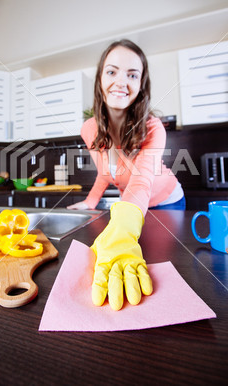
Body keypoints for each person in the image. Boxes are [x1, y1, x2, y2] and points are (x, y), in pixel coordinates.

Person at [67, 39, 185, 311]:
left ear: (141, 84)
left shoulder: (153, 128)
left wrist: (123, 228)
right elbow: (106, 171)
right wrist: (90, 202)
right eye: (112, 71)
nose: (121, 81)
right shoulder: (89, 129)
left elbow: (142, 180)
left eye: (132, 74)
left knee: (160, 266)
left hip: (168, 200)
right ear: (99, 79)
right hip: (133, 205)